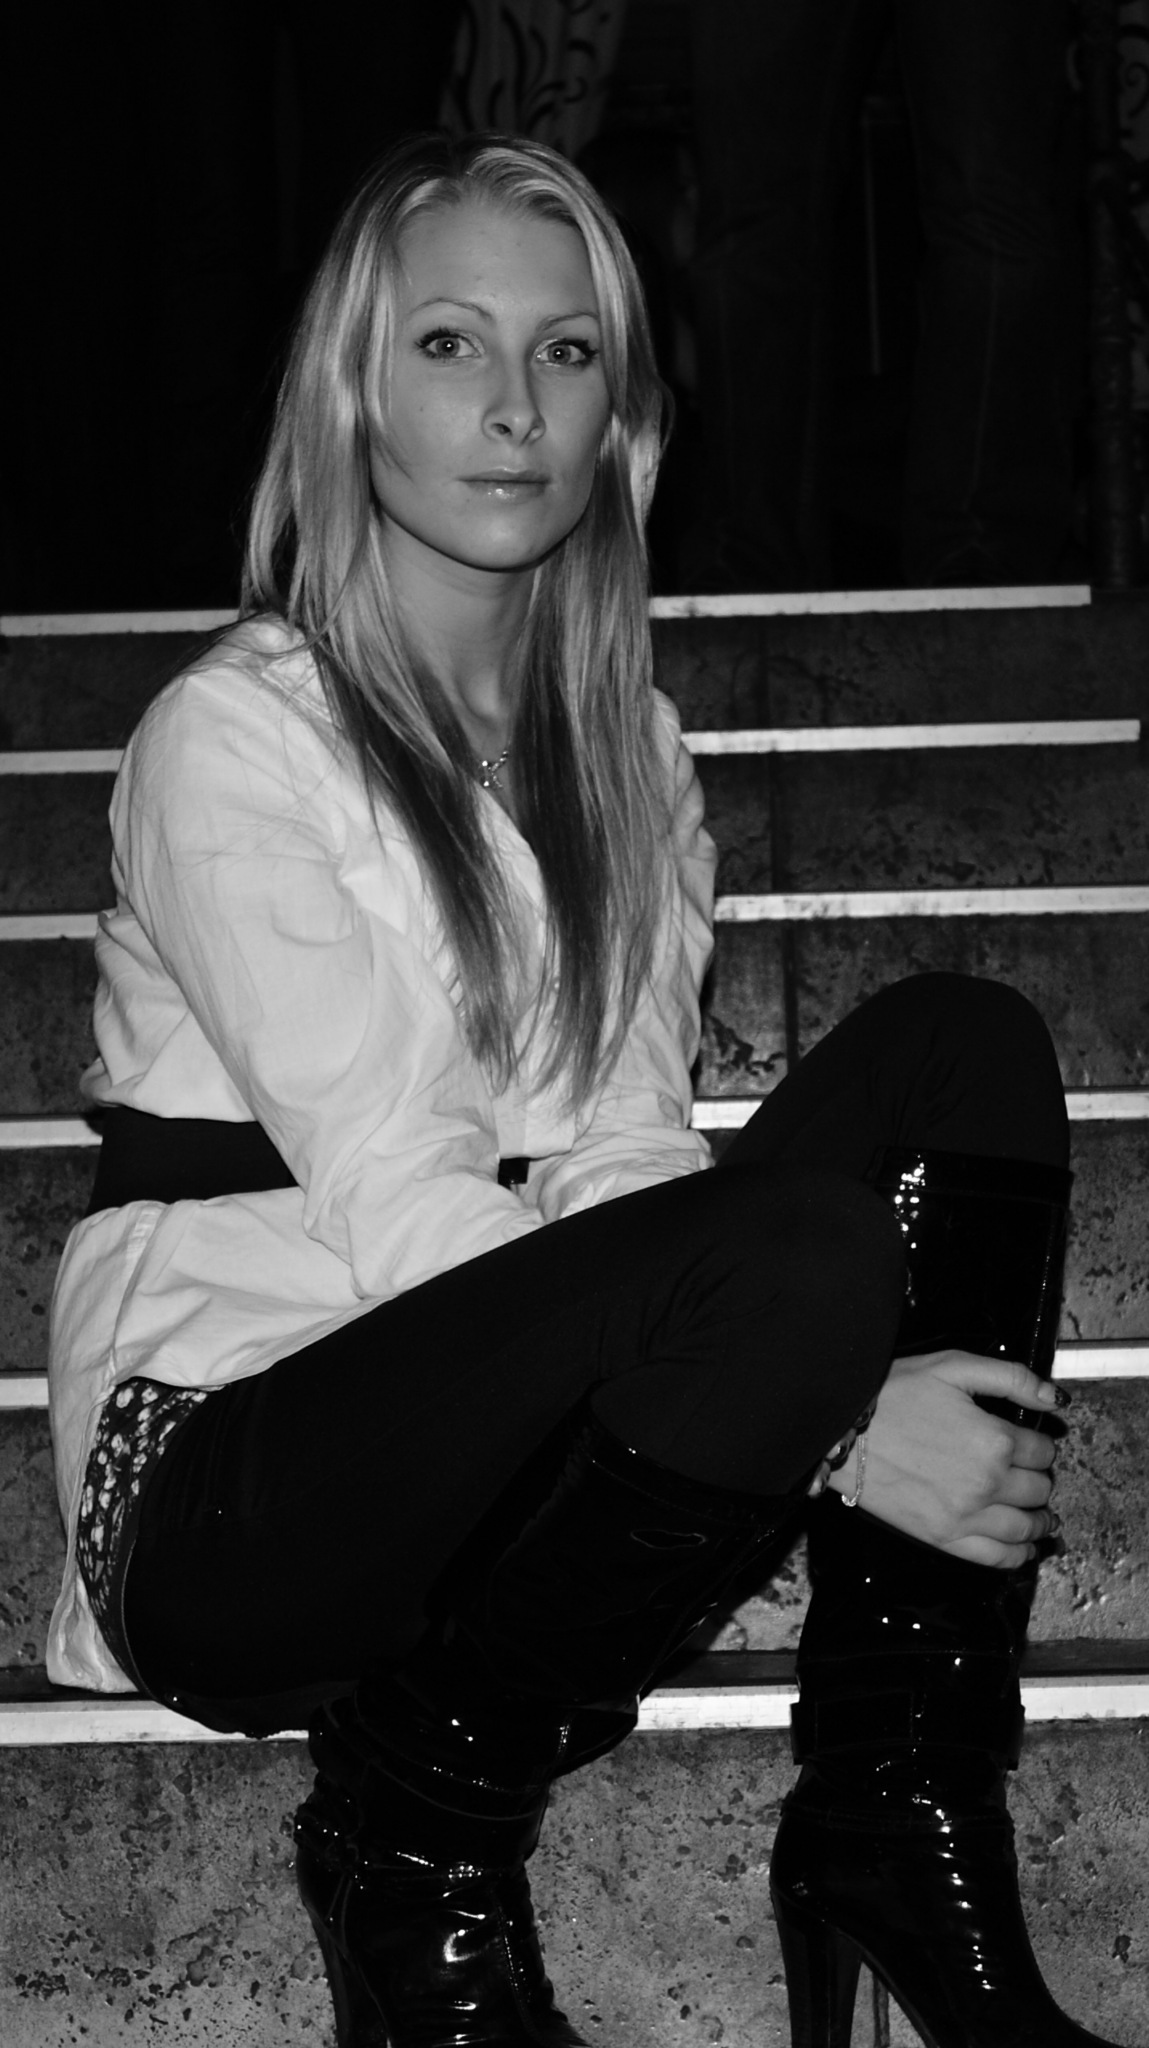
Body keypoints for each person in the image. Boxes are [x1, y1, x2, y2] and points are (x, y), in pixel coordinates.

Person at [47, 134, 1115, 2048]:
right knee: (785, 1261)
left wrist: (782, 1362)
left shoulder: (623, 741)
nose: (514, 407)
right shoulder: (233, 733)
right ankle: (413, 1842)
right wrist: (843, 1428)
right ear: (351, 392)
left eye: (565, 353)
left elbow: (625, 1157)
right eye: (448, 344)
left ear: (622, 414)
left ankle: (893, 1800)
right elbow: (401, 1193)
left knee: (959, 1048)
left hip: (511, 1451)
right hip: (238, 1485)